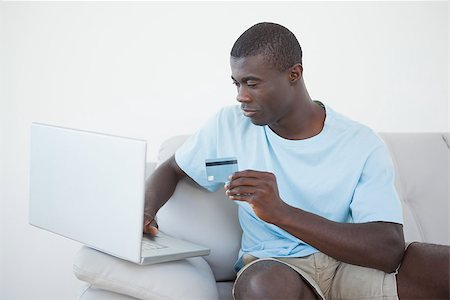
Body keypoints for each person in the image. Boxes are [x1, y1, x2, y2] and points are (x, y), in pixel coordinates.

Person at [143, 22, 449, 300]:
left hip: (350, 266)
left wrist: (280, 212)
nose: (241, 96)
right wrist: (146, 212)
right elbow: (172, 169)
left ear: (294, 74)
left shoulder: (360, 143)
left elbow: (388, 250)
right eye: (236, 83)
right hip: (278, 267)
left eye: (252, 83)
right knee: (262, 285)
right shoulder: (229, 127)